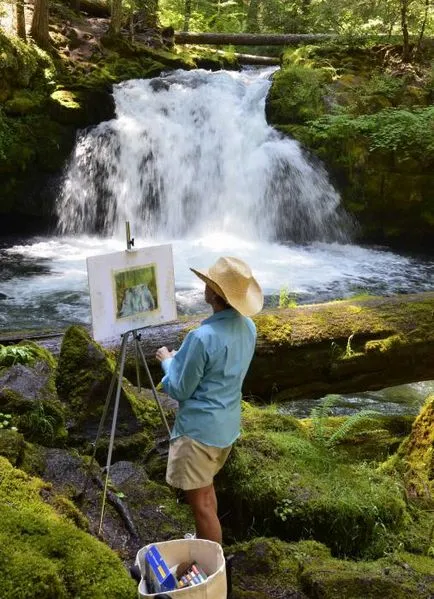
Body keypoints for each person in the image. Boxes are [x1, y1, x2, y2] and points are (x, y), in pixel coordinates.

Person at [155, 256, 263, 545]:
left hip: (199, 434)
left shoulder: (201, 337)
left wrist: (168, 362)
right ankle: (207, 545)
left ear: (215, 294)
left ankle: (212, 568)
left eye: (208, 283)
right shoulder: (249, 328)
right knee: (206, 493)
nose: (204, 285)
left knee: (201, 505)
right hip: (225, 427)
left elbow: (179, 389)